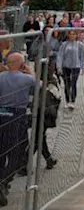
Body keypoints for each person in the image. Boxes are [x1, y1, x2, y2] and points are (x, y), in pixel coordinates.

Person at [0, 52, 36, 206]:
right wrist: (32, 72)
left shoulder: (0, 77)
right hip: (17, 115)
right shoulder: (27, 79)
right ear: (21, 65)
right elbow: (40, 85)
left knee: (2, 149)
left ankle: (2, 178)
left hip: (2, 112)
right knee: (17, 149)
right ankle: (5, 179)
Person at [56, 32, 84, 108]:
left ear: (76, 35)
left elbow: (82, 57)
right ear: (68, 35)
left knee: (73, 83)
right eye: (70, 34)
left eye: (74, 34)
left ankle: (73, 100)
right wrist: (59, 66)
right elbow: (60, 55)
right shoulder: (64, 44)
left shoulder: (80, 45)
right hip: (66, 67)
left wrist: (83, 67)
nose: (72, 36)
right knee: (67, 83)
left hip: (76, 66)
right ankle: (67, 100)